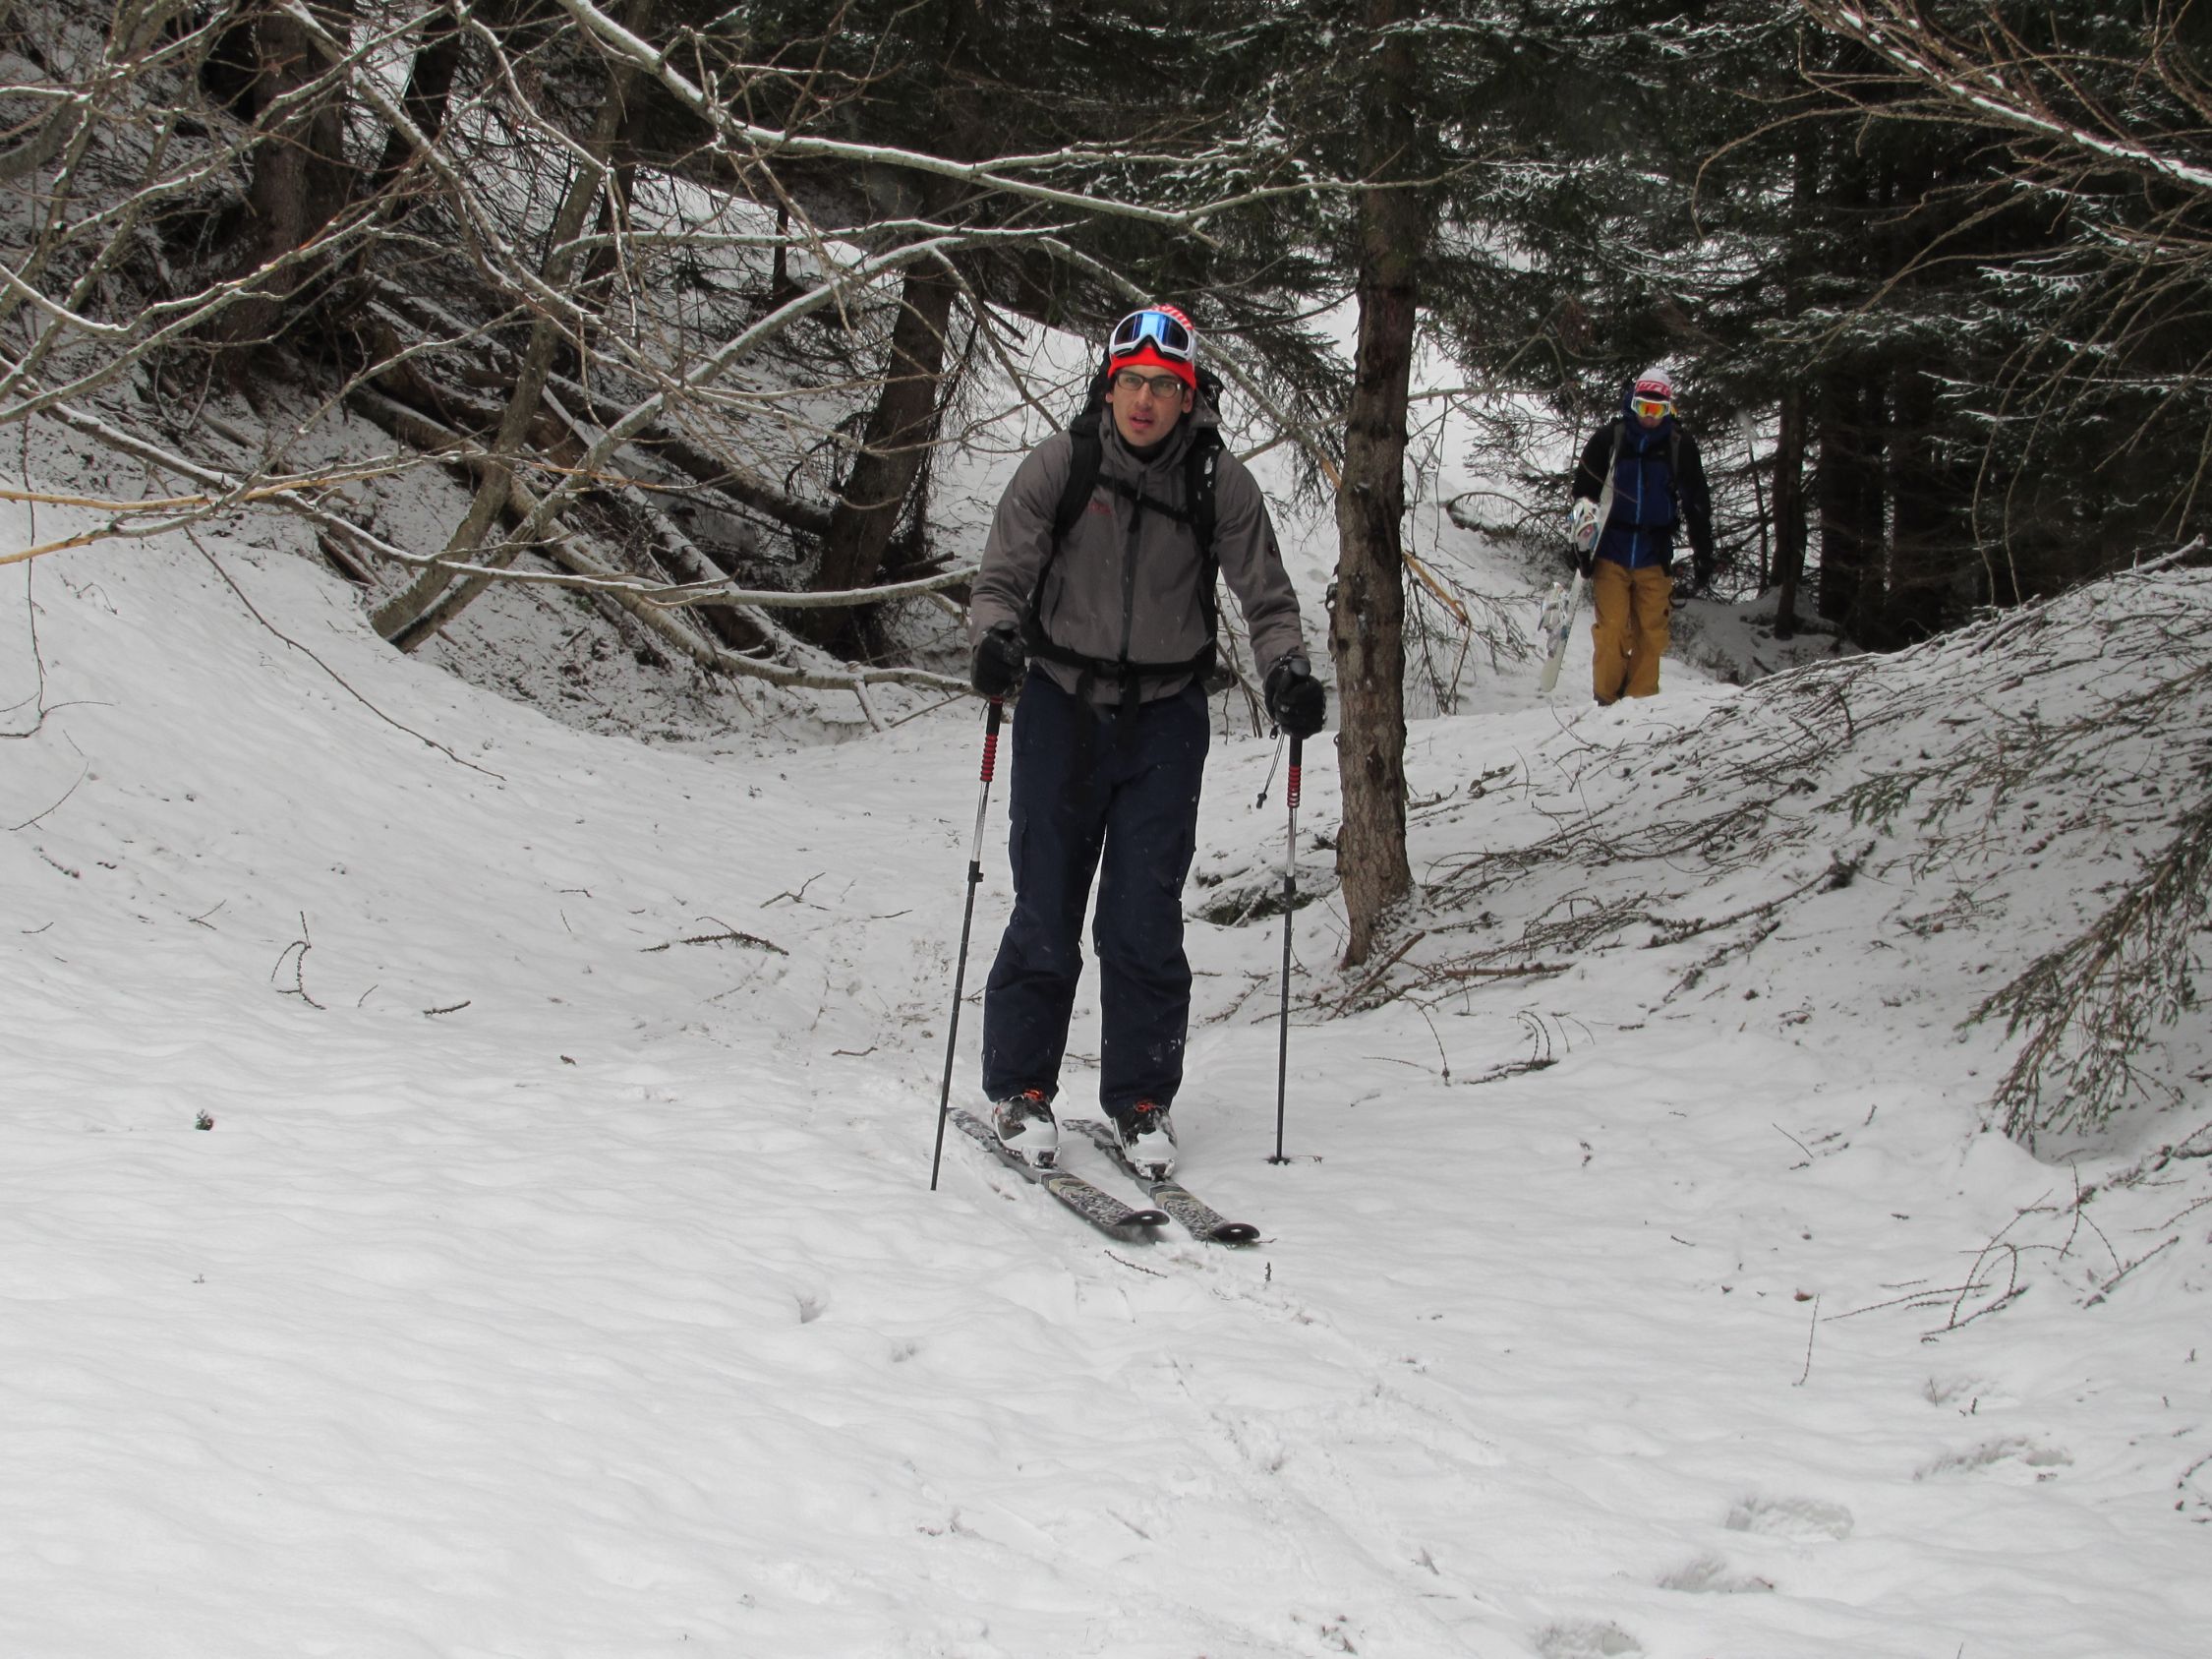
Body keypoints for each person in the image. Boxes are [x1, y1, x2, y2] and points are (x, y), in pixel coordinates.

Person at [966, 305, 1323, 1177]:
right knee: (1046, 904)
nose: (1145, 400)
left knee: (1143, 916)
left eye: (1165, 386)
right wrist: (996, 639)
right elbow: (1002, 576)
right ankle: (1021, 1088)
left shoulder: (1217, 482)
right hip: (1060, 706)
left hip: (1164, 718)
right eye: (1132, 382)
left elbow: (1266, 597)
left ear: (1188, 396)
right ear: (1110, 384)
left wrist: (1286, 670)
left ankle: (1140, 1099)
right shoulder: (1063, 463)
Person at [1568, 368, 1715, 704]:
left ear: (1668, 409)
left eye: (1657, 410)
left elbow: (1696, 503)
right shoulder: (1610, 439)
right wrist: (1581, 546)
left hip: (1654, 552)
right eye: (1643, 407)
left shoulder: (1679, 445)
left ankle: (1640, 704)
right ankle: (1606, 701)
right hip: (1612, 550)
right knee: (1612, 630)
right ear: (1631, 404)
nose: (1649, 417)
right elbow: (1584, 495)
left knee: (1652, 633)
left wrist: (1704, 551)